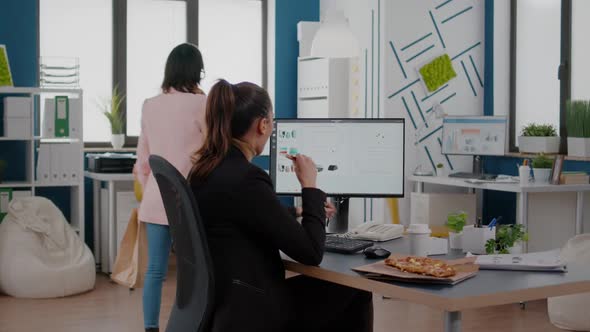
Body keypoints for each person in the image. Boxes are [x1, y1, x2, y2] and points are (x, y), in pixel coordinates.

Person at [189, 79, 373, 332]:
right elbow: (310, 253)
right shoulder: (248, 178)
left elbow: (239, 216)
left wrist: (296, 211)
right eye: (272, 121)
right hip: (257, 310)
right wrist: (310, 186)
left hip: (224, 304)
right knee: (357, 287)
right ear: (263, 124)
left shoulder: (205, 170)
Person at [134, 43, 207, 332]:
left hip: (157, 197)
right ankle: (191, 323)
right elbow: (213, 151)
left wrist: (150, 187)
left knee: (155, 271)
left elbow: (143, 162)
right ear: (196, 71)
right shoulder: (204, 104)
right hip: (192, 200)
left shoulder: (150, 105)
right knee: (195, 271)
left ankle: (151, 327)